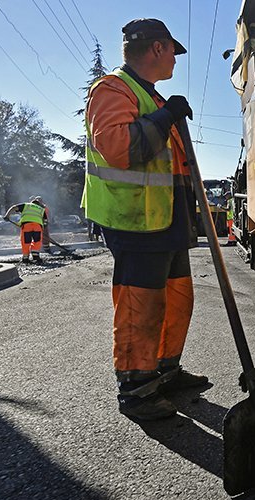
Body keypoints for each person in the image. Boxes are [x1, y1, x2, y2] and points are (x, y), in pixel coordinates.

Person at [81, 18, 208, 421]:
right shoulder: (112, 89)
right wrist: (166, 116)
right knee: (142, 305)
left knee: (177, 298)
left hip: (166, 220)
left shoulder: (151, 97)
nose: (175, 60)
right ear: (157, 48)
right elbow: (119, 148)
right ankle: (137, 390)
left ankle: (165, 371)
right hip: (136, 222)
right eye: (173, 51)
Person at [4, 196, 49, 264]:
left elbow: (13, 207)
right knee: (37, 241)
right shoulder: (41, 209)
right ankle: (35, 255)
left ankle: (25, 258)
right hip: (37, 226)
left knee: (26, 241)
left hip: (27, 226)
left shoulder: (26, 205)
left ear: (31, 202)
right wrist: (42, 228)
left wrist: (7, 216)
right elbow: (45, 221)